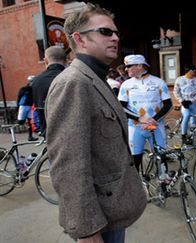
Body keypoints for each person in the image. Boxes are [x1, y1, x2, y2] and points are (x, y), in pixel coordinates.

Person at [45, 3, 146, 243]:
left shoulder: (96, 79)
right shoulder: (73, 83)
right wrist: (87, 230)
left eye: (116, 33)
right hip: (98, 220)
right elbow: (68, 165)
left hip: (112, 210)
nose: (115, 38)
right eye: (105, 32)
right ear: (80, 39)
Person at [118, 54, 172, 171]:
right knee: (134, 161)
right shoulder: (126, 84)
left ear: (139, 65)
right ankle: (135, 187)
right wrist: (139, 118)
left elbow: (168, 104)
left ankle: (164, 184)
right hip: (136, 127)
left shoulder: (158, 82)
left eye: (129, 66)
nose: (126, 69)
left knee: (161, 158)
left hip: (156, 126)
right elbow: (120, 107)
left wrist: (154, 119)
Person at [32, 45, 67, 136]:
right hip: (71, 133)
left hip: (48, 134)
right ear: (65, 60)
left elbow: (38, 110)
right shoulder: (72, 78)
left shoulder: (36, 80)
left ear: (46, 60)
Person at [173, 64, 196, 145]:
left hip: (194, 103)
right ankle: (183, 135)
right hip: (184, 102)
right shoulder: (179, 80)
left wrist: (192, 100)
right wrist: (181, 101)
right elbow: (176, 91)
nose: (195, 72)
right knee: (186, 115)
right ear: (189, 71)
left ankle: (191, 138)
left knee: (193, 121)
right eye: (193, 70)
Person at [17, 75, 38, 141]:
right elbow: (19, 97)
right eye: (31, 81)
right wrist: (17, 106)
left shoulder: (34, 89)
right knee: (20, 121)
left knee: (30, 121)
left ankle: (30, 136)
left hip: (30, 106)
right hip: (23, 105)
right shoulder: (24, 89)